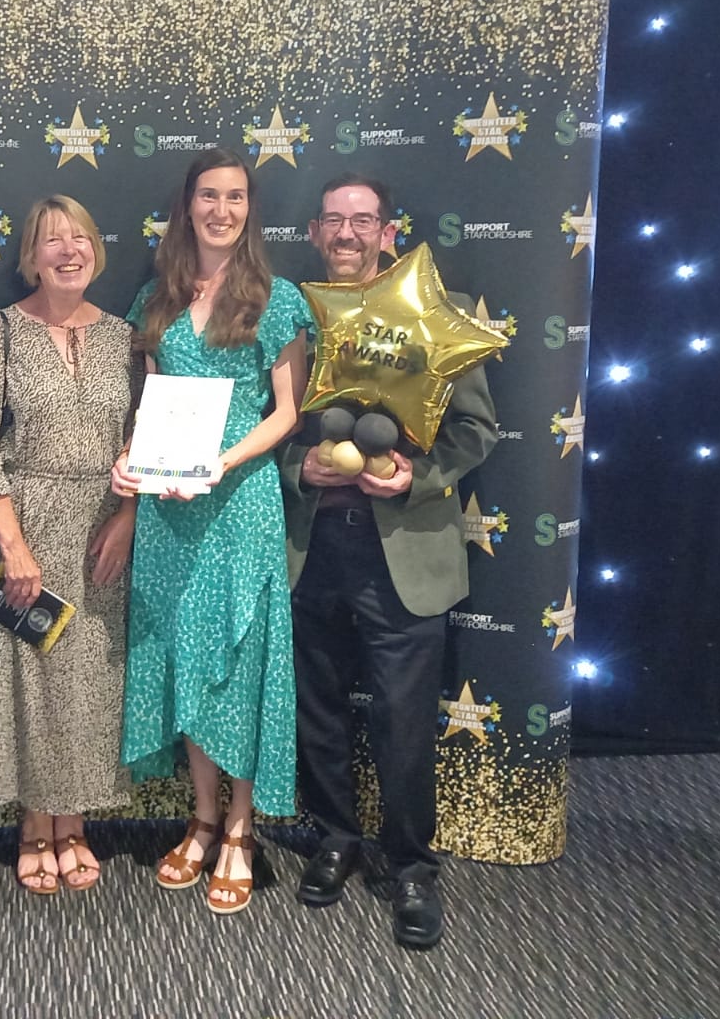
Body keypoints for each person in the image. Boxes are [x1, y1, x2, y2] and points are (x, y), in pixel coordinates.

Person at [282, 172, 497, 950]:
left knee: (407, 723)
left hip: (404, 550)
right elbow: (257, 426)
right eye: (332, 220)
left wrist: (419, 475)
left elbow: (476, 431)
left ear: (386, 232)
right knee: (319, 709)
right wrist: (296, 471)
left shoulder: (434, 318)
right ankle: (335, 836)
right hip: (310, 548)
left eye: (361, 221)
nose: (346, 233)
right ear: (313, 233)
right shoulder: (291, 315)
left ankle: (409, 868)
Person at [111, 147, 311, 915]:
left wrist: (222, 460)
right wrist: (133, 462)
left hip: (241, 502)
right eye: (207, 196)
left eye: (235, 197)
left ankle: (239, 828)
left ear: (248, 208)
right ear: (187, 206)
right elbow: (150, 403)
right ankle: (199, 818)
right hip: (169, 509)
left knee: (241, 662)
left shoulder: (275, 296)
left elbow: (287, 414)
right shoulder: (155, 299)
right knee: (185, 658)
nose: (221, 209)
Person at [0, 195, 138, 895]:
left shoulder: (123, 335)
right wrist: (13, 546)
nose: (68, 251)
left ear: (97, 248)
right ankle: (35, 827)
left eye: (80, 238)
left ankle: (75, 823)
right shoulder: (0, 332)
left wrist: (125, 516)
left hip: (103, 529)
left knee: (90, 683)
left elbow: (141, 442)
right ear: (29, 258)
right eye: (51, 241)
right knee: (31, 676)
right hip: (24, 522)